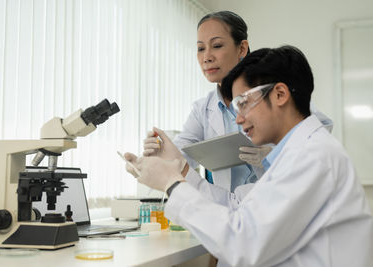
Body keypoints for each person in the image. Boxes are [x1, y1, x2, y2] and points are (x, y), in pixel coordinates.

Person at [125, 45, 373, 267]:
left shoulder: (312, 156)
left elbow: (243, 243)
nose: (238, 118)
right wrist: (181, 170)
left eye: (243, 103)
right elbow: (234, 206)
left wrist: (173, 184)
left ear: (279, 95)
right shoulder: (294, 155)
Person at [143, 11, 333, 191]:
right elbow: (181, 156)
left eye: (216, 46)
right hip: (233, 207)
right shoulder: (203, 109)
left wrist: (275, 155)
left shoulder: (270, 91)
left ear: (242, 48)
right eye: (201, 48)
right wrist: (161, 153)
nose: (207, 57)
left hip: (277, 198)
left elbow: (319, 130)